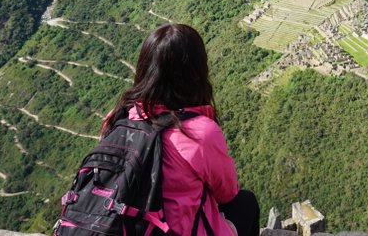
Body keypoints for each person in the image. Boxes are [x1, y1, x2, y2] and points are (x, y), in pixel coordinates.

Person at [102, 23, 260, 236]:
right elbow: (227, 193)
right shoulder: (199, 133)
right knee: (245, 202)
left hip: (119, 225)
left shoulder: (117, 118)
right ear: (197, 72)